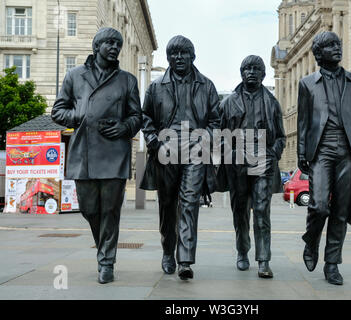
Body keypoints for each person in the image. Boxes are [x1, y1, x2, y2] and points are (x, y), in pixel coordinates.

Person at [51, 28, 142, 284]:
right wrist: (79, 116)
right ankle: (104, 249)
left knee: (111, 211)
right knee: (90, 209)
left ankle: (106, 262)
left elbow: (137, 116)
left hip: (114, 153)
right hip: (84, 153)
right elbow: (58, 111)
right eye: (110, 43)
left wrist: (125, 127)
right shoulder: (74, 76)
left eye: (118, 44)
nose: (115, 47)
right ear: (97, 46)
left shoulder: (127, 80)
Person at [297, 31, 351, 285]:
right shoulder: (307, 84)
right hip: (321, 149)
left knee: (341, 210)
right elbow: (303, 123)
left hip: (350, 151)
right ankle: (311, 240)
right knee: (319, 205)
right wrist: (301, 152)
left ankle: (332, 263)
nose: (337, 48)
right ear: (319, 53)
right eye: (331, 45)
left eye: (338, 44)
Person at [139, 35, 220, 280]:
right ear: (168, 58)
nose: (179, 58)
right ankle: (167, 251)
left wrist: (204, 138)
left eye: (184, 53)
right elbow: (146, 118)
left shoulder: (206, 85)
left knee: (189, 203)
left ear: (192, 56)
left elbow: (216, 121)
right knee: (167, 205)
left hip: (195, 151)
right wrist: (154, 141)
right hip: (166, 150)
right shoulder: (156, 87)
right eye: (174, 54)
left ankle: (185, 259)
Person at [219, 55, 286, 278]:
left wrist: (272, 154)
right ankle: (242, 251)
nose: (251, 72)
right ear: (241, 73)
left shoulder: (272, 102)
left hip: (263, 158)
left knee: (261, 211)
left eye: (256, 69)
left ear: (263, 74)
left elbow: (281, 137)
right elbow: (220, 135)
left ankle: (264, 260)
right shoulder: (228, 103)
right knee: (240, 212)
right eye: (247, 68)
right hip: (238, 159)